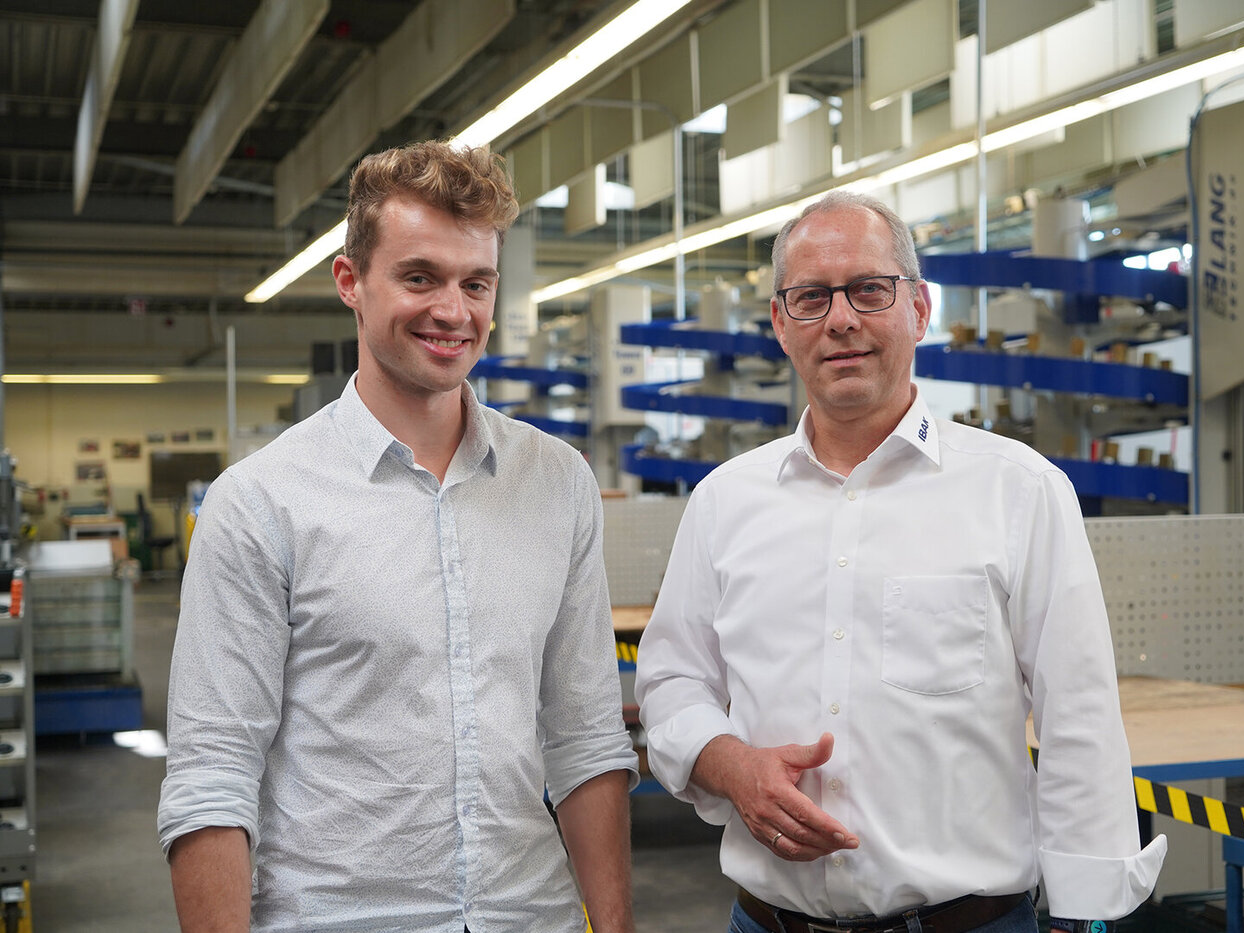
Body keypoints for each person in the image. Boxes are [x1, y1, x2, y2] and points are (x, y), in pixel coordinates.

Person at [635, 190, 1165, 933]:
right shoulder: (726, 502)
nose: (842, 319)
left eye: (869, 290)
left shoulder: (1019, 490)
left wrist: (1088, 916)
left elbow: (1079, 719)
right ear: (781, 326)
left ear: (918, 309)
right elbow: (671, 678)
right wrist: (727, 763)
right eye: (812, 297)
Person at [158, 140, 638, 933]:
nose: (454, 311)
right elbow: (213, 774)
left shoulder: (557, 482)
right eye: (420, 277)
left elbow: (585, 738)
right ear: (351, 281)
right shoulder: (260, 502)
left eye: (474, 282)